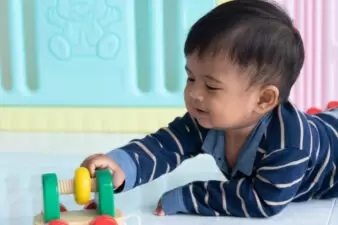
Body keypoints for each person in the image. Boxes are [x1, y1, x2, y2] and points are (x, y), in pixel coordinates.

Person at [80, 0, 338, 218]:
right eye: (191, 78)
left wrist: (190, 196)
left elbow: (263, 200)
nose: (194, 93)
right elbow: (164, 146)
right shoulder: (208, 119)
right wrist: (120, 165)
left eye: (212, 87)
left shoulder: (288, 144)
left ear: (264, 100)